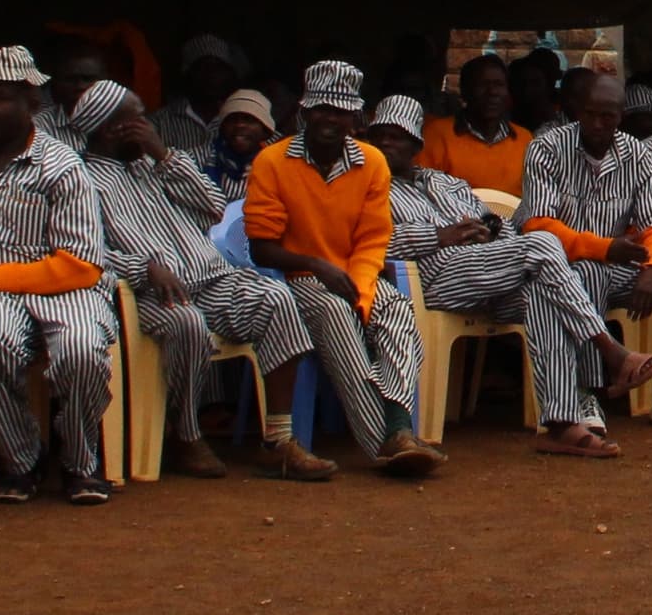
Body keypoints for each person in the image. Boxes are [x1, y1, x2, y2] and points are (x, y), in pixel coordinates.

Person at [368, 95, 652, 457]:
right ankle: (610, 351)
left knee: (542, 291)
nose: (385, 143)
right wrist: (440, 236)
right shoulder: (368, 184)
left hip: (491, 269)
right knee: (542, 242)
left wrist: (492, 233)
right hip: (436, 278)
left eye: (396, 136)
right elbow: (368, 241)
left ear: (415, 143)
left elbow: (500, 224)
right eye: (379, 136)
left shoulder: (445, 183)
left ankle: (561, 423)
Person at [73, 81, 328, 481]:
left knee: (275, 297)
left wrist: (161, 154)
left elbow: (213, 208)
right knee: (186, 322)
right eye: (137, 119)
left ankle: (278, 441)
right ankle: (186, 436)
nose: (149, 125)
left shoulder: (153, 164)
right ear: (110, 130)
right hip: (149, 293)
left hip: (212, 278)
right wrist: (144, 267)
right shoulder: (81, 178)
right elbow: (81, 252)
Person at [0, 46, 121, 505]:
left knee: (80, 351)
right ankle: (22, 459)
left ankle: (80, 462)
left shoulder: (63, 167)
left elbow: (80, 263)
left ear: (32, 104)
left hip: (62, 286)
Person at [243, 60, 440, 462]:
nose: (331, 120)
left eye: (341, 112)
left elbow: (372, 239)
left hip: (356, 274)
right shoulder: (273, 161)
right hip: (296, 277)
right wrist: (317, 267)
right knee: (336, 314)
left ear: (356, 117)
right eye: (322, 110)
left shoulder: (371, 163)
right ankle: (382, 446)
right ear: (305, 112)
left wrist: (363, 289)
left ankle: (400, 430)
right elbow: (261, 247)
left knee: (398, 311)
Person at [521, 69, 652, 428]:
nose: (597, 122)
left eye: (607, 115)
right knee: (589, 270)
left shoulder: (638, 155)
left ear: (620, 116)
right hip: (563, 268)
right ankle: (586, 394)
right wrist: (605, 248)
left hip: (621, 264)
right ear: (577, 110)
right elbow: (538, 226)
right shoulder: (546, 148)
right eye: (590, 113)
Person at [421, 55, 532, 200]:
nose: (492, 92)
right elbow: (421, 195)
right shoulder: (436, 135)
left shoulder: (524, 139)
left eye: (499, 84)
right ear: (465, 92)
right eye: (483, 85)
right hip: (453, 220)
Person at [155, 35, 248, 159]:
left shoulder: (243, 121)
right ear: (187, 73)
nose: (212, 75)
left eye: (219, 68)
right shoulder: (159, 123)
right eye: (203, 67)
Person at [201, 88, 278, 197]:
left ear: (265, 131)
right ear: (222, 127)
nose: (239, 125)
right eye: (232, 119)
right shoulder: (198, 158)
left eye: (249, 120)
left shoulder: (277, 165)